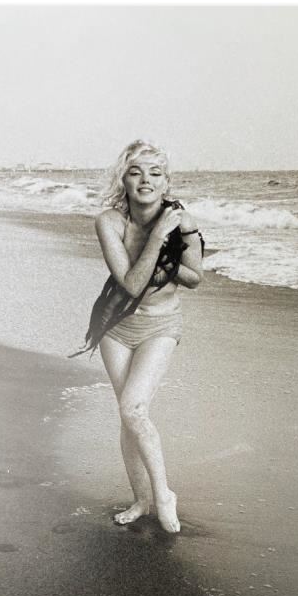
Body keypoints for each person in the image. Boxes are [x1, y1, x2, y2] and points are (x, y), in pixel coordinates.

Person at [91, 140, 204, 533]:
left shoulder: (182, 220)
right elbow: (129, 283)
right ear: (122, 178)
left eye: (155, 173)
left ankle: (163, 495)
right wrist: (157, 240)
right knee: (128, 416)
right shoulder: (109, 222)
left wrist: (169, 260)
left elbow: (195, 277)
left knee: (134, 409)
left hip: (161, 325)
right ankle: (141, 500)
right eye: (136, 172)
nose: (145, 180)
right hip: (115, 325)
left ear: (166, 181)